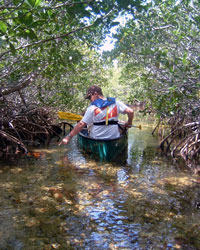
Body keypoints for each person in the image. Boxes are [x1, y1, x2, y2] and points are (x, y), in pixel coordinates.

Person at [59, 85, 134, 145]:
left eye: (90, 97)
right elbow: (130, 111)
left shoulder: (92, 108)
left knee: (86, 128)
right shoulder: (116, 102)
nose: (90, 100)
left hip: (97, 139)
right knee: (122, 127)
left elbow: (81, 124)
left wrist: (68, 137)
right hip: (114, 138)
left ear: (95, 94)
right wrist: (129, 122)